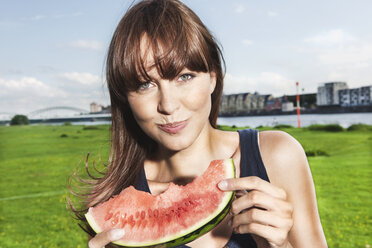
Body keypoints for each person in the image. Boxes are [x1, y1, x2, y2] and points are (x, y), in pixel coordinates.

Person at [70, 0, 328, 247]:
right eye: (144, 84)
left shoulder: (277, 154)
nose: (168, 105)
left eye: (184, 76)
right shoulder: (112, 202)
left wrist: (280, 246)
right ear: (125, 98)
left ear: (213, 79)